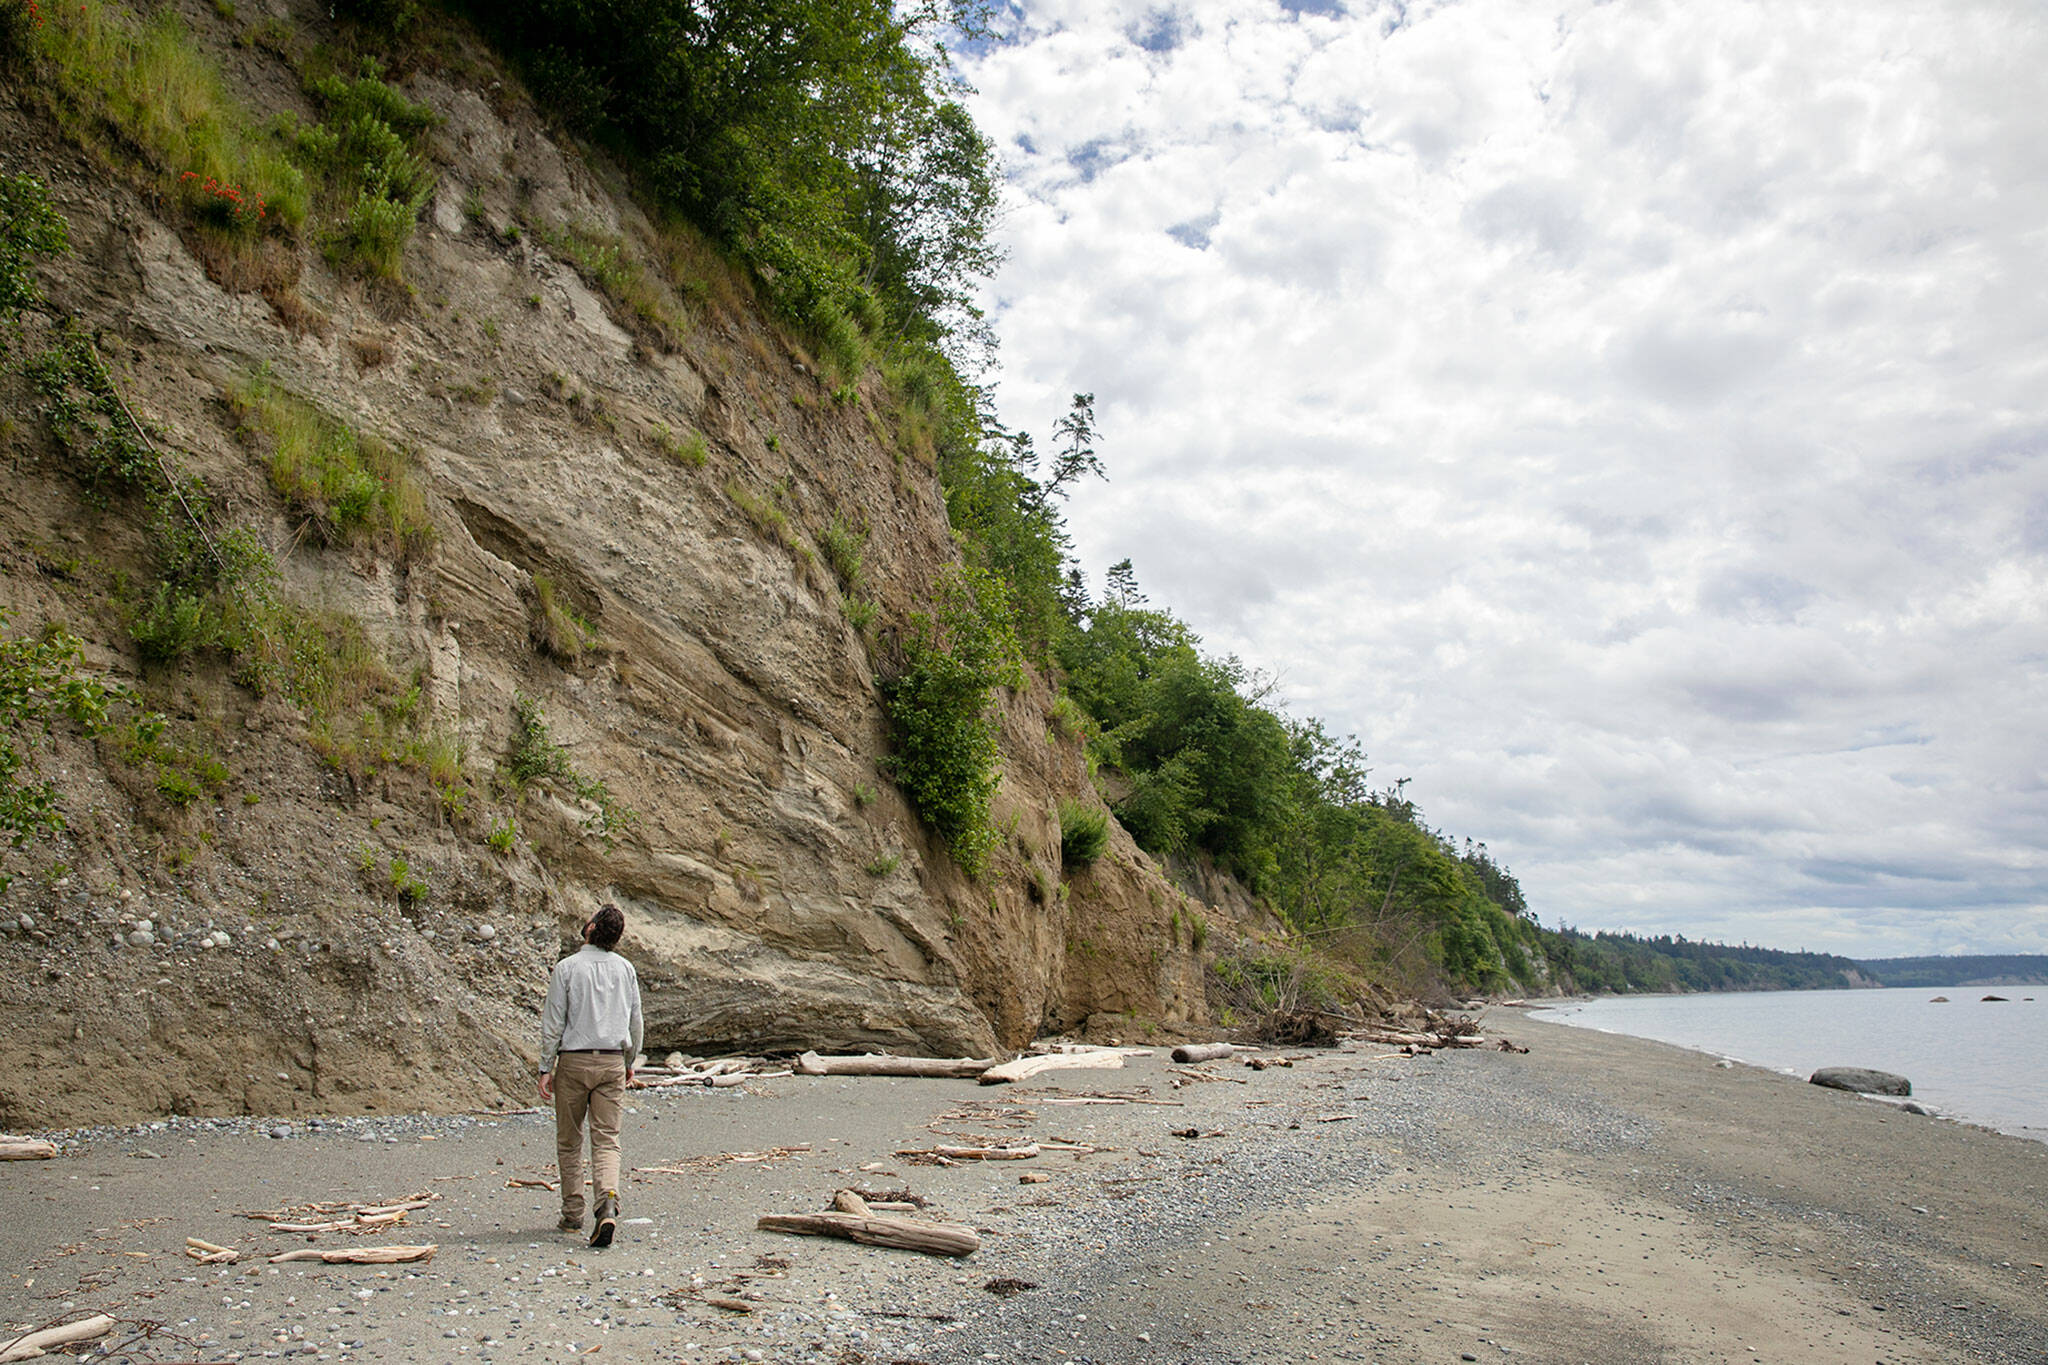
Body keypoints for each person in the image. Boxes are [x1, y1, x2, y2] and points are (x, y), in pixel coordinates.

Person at [537, 903, 643, 1248]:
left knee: (570, 1140)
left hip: (573, 1061)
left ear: (591, 928)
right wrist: (630, 1059)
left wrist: (544, 1066)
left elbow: (554, 1021)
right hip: (612, 1060)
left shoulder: (567, 968)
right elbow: (635, 1020)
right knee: (607, 1139)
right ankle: (607, 1202)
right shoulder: (625, 969)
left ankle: (572, 1214)